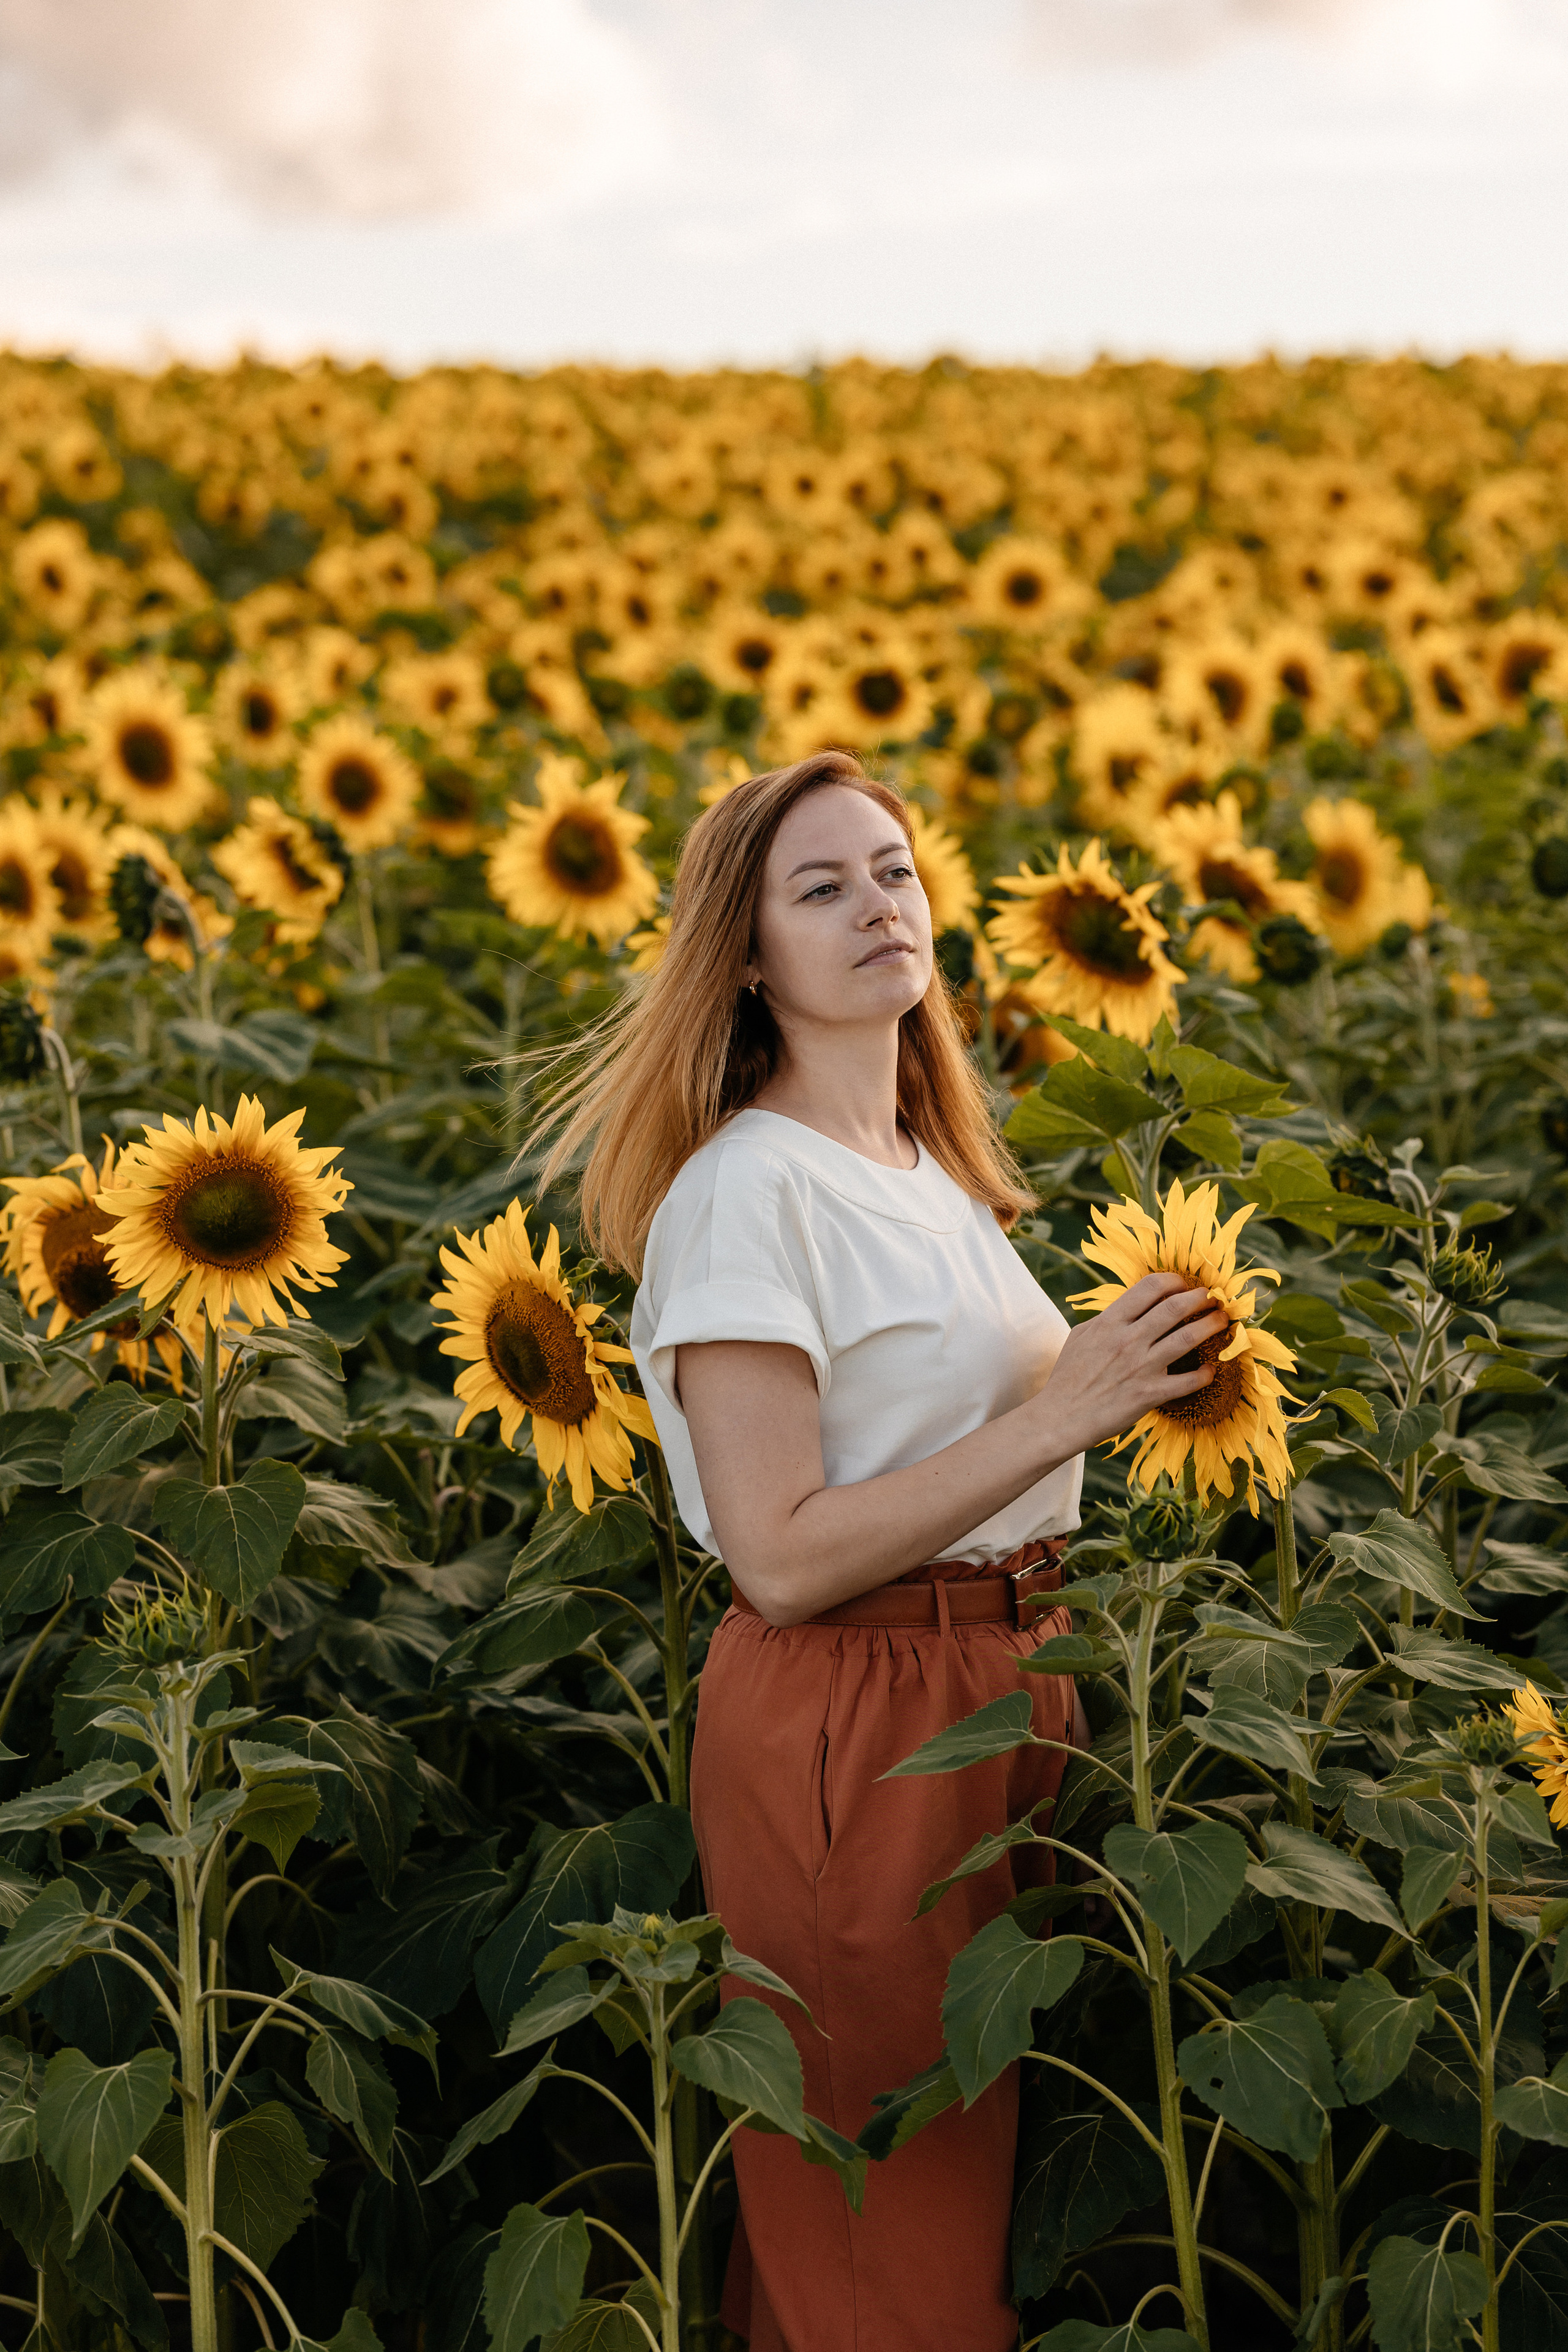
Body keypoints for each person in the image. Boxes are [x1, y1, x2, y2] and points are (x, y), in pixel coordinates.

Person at [542, 751, 1226, 2352]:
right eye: (822, 885)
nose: (877, 905)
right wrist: (1074, 1411)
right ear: (750, 953)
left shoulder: (932, 1176)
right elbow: (777, 1554)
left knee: (931, 2210)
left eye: (897, 870)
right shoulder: (744, 1196)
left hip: (1004, 1682)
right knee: (884, 2215)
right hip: (859, 1713)